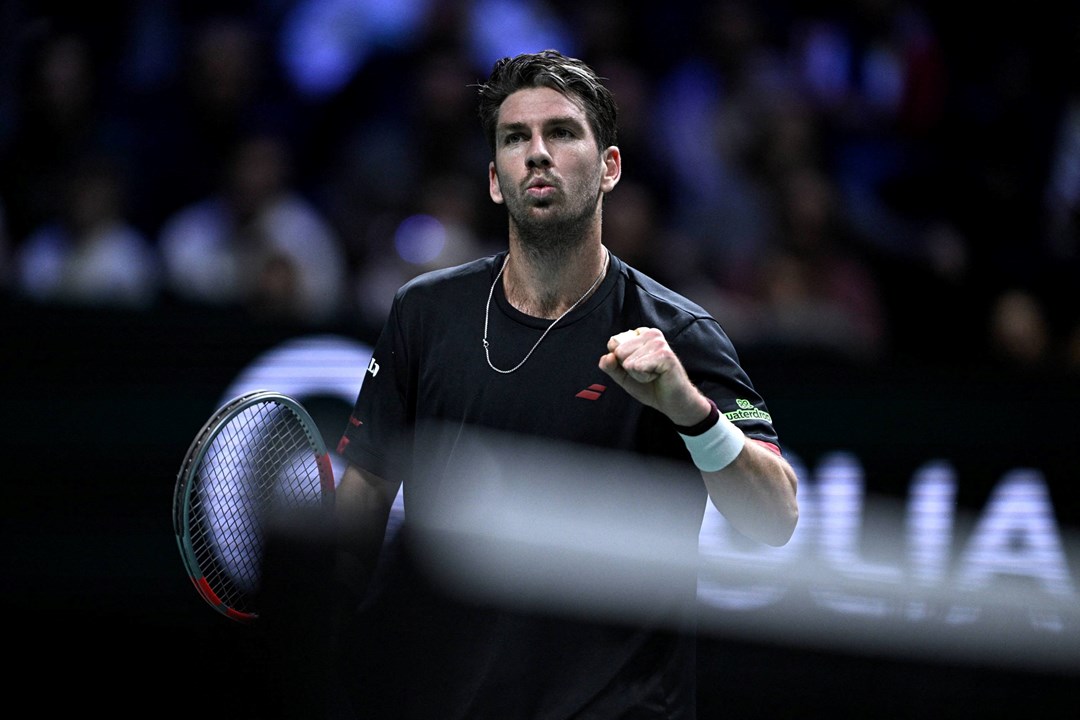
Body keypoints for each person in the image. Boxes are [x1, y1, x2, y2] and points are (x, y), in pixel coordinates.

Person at [331, 49, 799, 719]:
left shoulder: (680, 334)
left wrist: (688, 409)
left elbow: (776, 517)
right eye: (515, 138)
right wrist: (320, 611)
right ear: (496, 180)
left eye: (562, 132)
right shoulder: (425, 313)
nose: (537, 154)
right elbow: (367, 490)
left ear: (609, 167)